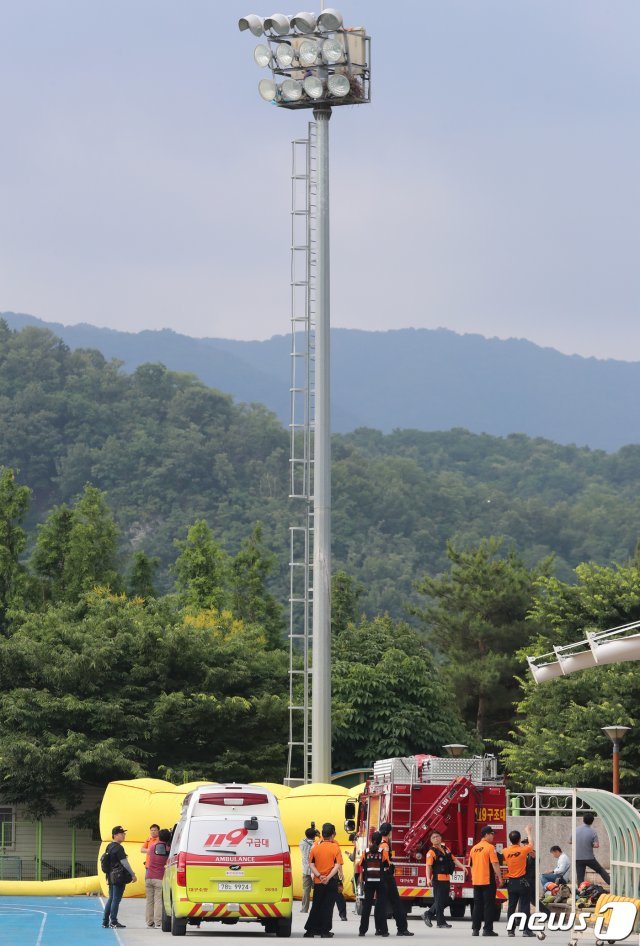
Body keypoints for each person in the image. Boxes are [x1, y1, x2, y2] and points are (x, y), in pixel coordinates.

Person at [304, 822, 343, 938]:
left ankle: (310, 930)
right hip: (331, 881)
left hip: (318, 881)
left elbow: (311, 864)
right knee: (328, 906)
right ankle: (324, 931)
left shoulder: (315, 847)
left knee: (316, 905)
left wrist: (320, 876)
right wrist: (328, 877)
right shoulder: (335, 847)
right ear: (333, 834)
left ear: (322, 834)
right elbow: (337, 865)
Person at [422, 831, 465, 929]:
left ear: (441, 838)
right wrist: (428, 878)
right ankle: (440, 922)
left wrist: (463, 867)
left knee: (444, 901)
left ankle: (428, 914)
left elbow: (454, 859)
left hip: (446, 878)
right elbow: (428, 866)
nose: (436, 838)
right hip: (438, 879)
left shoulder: (446, 849)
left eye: (437, 836)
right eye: (433, 837)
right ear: (431, 840)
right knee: (440, 901)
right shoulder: (431, 852)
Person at [379, 822, 414, 936]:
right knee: (396, 903)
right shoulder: (385, 845)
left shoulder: (376, 842)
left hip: (379, 877)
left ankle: (380, 929)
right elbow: (385, 863)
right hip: (387, 877)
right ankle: (402, 928)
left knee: (381, 903)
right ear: (389, 832)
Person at [102, 826, 137, 930]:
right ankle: (113, 921)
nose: (124, 835)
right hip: (118, 877)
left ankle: (105, 922)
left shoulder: (109, 846)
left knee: (111, 898)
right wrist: (132, 874)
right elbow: (124, 862)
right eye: (122, 834)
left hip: (110, 876)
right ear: (115, 835)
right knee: (116, 899)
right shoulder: (118, 847)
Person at [470, 825, 502, 937]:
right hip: (487, 881)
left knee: (477, 905)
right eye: (492, 834)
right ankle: (487, 930)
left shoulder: (473, 848)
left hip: (476, 881)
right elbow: (495, 863)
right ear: (486, 835)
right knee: (489, 905)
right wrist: (500, 877)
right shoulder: (490, 847)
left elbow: (471, 866)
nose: (493, 836)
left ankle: (475, 929)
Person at [502, 825, 535, 938]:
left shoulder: (505, 851)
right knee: (525, 906)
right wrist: (528, 831)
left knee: (511, 907)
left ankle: (511, 931)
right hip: (522, 882)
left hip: (511, 883)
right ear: (519, 839)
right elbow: (531, 844)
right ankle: (526, 930)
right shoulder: (523, 849)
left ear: (510, 840)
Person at [358, 831, 390, 937]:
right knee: (380, 906)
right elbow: (387, 865)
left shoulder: (366, 851)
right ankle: (383, 930)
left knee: (367, 906)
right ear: (380, 840)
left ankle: (362, 930)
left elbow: (361, 864)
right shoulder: (382, 851)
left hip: (369, 882)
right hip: (381, 882)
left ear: (371, 840)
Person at [145, 828, 171, 929]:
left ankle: (149, 922)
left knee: (149, 901)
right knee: (159, 900)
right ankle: (158, 922)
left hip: (149, 876)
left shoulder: (152, 847)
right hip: (159, 878)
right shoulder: (168, 848)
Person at [576, 814, 610, 886]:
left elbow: (570, 841)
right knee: (600, 870)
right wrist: (590, 844)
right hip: (589, 858)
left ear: (583, 819)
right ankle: (612, 884)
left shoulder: (576, 830)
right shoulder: (593, 832)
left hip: (578, 858)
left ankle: (580, 892)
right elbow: (596, 845)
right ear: (592, 822)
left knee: (580, 877)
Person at [300, 826, 320, 913]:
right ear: (314, 835)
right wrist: (319, 835)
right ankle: (316, 909)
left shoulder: (302, 843)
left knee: (306, 890)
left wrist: (312, 832)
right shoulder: (317, 844)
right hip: (316, 870)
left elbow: (306, 838)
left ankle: (304, 909)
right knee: (318, 890)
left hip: (306, 870)